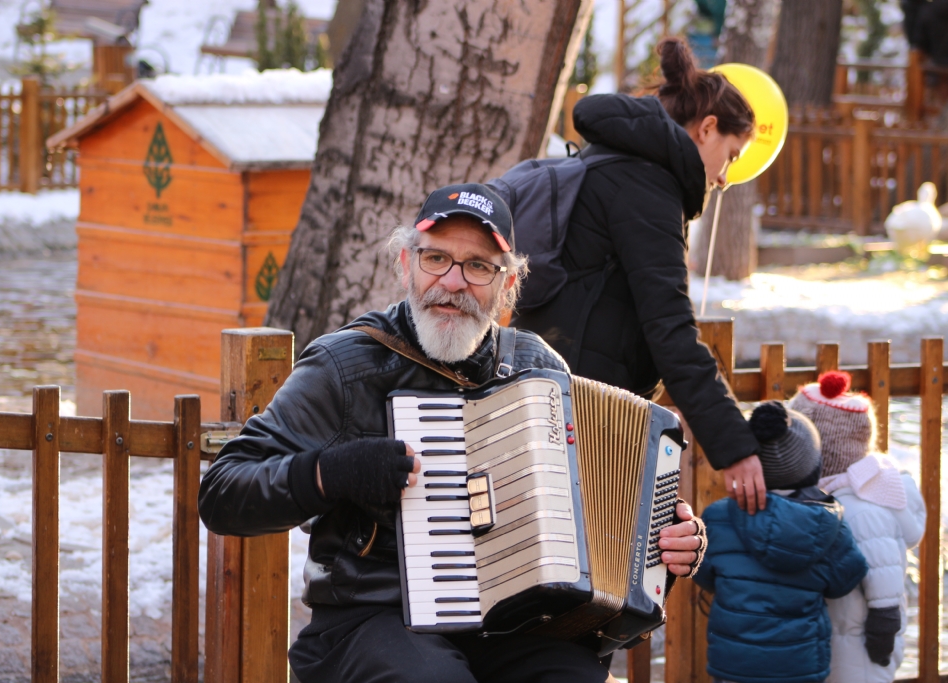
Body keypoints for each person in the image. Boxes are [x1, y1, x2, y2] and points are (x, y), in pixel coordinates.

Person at [199, 183, 708, 683]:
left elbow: (597, 510)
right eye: (436, 258)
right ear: (406, 265)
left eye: (478, 266)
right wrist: (330, 474)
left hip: (519, 622)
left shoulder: (536, 369)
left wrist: (663, 541)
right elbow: (223, 492)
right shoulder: (345, 366)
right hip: (373, 617)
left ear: (507, 285)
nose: (453, 281)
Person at [512, 37, 767, 514]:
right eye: (731, 156)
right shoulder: (647, 185)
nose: (725, 178)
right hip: (583, 412)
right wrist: (735, 447)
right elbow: (669, 326)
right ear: (707, 129)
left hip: (548, 393)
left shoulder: (611, 161)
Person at [693, 401, 868, 683]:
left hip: (735, 665)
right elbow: (844, 582)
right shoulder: (828, 525)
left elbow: (703, 573)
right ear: (814, 467)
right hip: (801, 666)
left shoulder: (718, 517)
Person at [789, 372, 926, 683]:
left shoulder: (860, 508)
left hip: (862, 645)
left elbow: (884, 570)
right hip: (839, 633)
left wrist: (883, 623)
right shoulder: (835, 496)